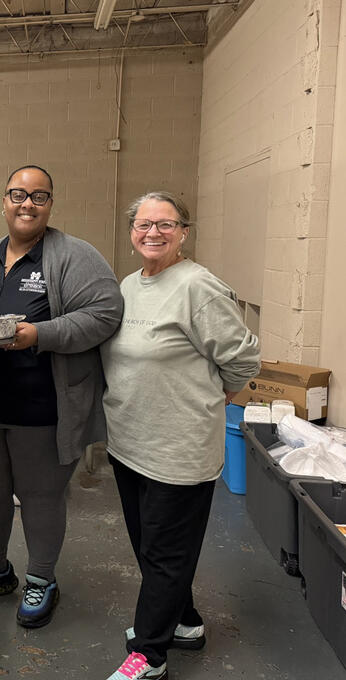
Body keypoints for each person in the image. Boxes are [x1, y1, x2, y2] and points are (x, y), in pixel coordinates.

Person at [0, 164, 123, 627]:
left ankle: (41, 578)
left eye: (39, 196)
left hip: (44, 408)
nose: (27, 204)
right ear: (4, 202)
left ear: (50, 205)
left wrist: (39, 334)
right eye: (18, 195)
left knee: (41, 497)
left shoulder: (75, 256)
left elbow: (105, 312)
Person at [100, 192, 260, 680]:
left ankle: (150, 654)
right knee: (150, 547)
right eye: (144, 224)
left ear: (183, 232)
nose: (153, 232)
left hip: (178, 448)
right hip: (129, 442)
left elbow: (243, 360)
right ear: (132, 231)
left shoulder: (198, 286)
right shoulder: (130, 285)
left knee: (166, 553)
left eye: (166, 224)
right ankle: (184, 622)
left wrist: (214, 397)